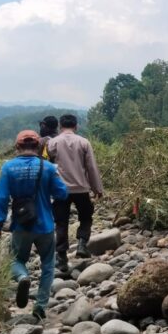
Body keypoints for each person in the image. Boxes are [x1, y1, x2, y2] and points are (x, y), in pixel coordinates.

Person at [0, 130, 68, 320]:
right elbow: (62, 193)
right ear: (38, 147)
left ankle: (23, 277)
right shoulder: (49, 168)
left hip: (21, 224)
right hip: (46, 226)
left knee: (15, 260)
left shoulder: (8, 168)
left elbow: (1, 198)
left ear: (17, 146)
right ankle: (40, 306)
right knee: (48, 265)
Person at [47, 114, 104, 272]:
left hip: (60, 189)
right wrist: (97, 188)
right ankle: (82, 243)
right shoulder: (84, 142)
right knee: (86, 216)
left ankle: (62, 257)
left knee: (61, 222)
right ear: (76, 126)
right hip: (81, 188)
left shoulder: (53, 143)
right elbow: (91, 167)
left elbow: (48, 164)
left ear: (60, 126)